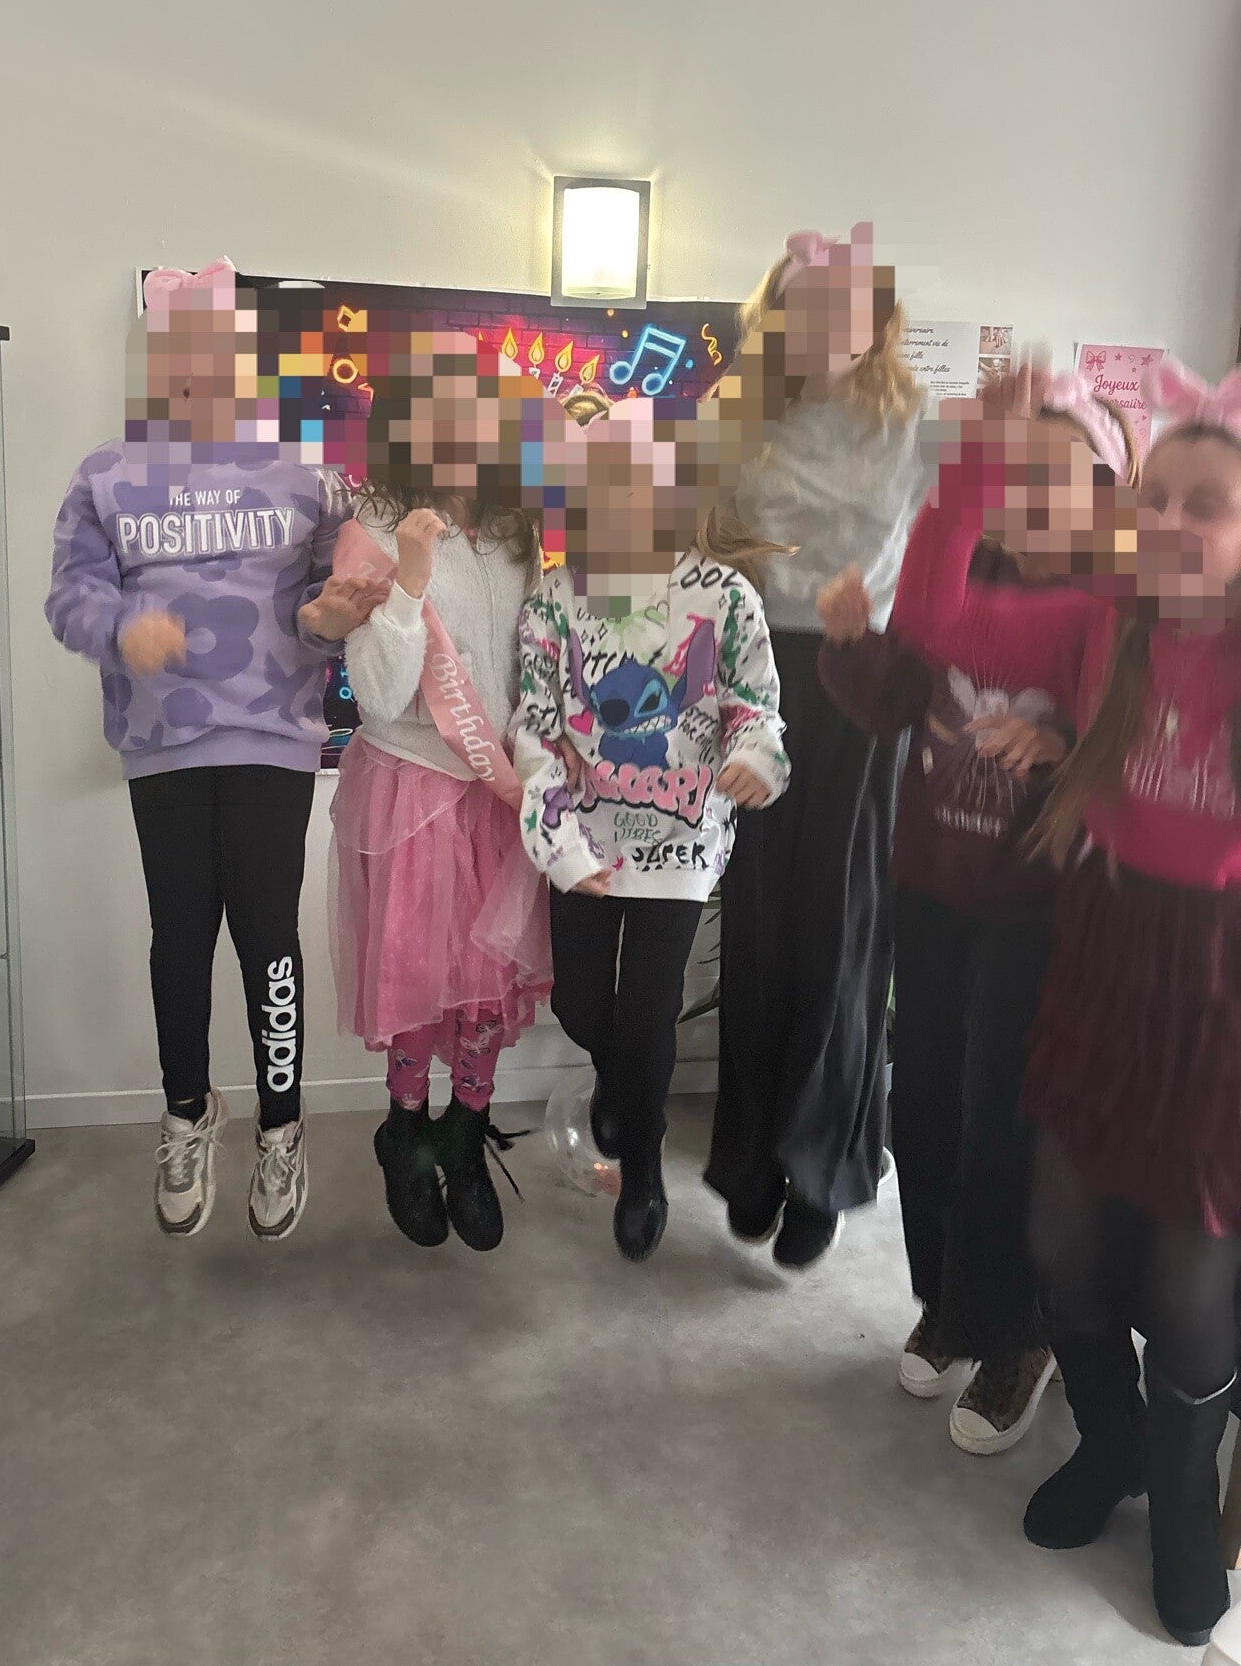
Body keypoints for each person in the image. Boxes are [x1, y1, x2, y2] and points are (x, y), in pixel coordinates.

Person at [893, 357, 1241, 1648]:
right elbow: (939, 623)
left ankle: (1185, 1506)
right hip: (1100, 954)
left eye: (1210, 504)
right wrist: (974, 462)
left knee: (1194, 1277)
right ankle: (1114, 1444)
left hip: (1220, 989)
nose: (1175, 524)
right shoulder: (1105, 619)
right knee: (1063, 1242)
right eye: (1160, 499)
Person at [815, 376, 1138, 1458]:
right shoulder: (966, 574)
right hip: (934, 883)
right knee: (927, 1104)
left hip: (1038, 907)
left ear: (1104, 491)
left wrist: (1061, 746)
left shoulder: (1118, 599)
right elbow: (896, 700)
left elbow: (1137, 743)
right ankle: (950, 1303)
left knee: (1004, 1121)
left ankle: (1018, 1334)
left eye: (1060, 475)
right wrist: (852, 642)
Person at [45, 260, 386, 1244]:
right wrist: (120, 627)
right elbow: (71, 595)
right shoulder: (106, 476)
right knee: (181, 937)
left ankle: (282, 1128)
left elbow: (337, 596)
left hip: (275, 738)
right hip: (162, 744)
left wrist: (329, 615)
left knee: (269, 938)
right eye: (180, 356)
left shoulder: (309, 479)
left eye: (221, 355)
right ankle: (186, 1113)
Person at [703, 224, 932, 1268]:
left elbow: (981, 542)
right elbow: (693, 542)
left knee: (842, 933)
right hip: (756, 679)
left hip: (863, 684)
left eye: (845, 303)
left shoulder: (916, 424)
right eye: (804, 304)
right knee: (758, 925)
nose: (824, 322)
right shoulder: (739, 418)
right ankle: (751, 1158)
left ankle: (821, 1170)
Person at [513, 399, 790, 1262]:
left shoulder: (724, 596)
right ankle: (626, 1088)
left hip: (682, 839)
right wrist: (556, 839)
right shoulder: (556, 596)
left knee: (646, 1014)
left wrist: (756, 758)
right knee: (579, 1002)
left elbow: (756, 707)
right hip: (584, 835)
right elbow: (533, 725)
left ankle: (642, 1167)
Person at [328, 342, 551, 1251]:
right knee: (418, 979)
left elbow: (535, 667)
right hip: (414, 787)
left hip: (496, 794)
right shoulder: (376, 527)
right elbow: (379, 695)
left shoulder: (515, 532)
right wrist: (410, 578)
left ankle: (466, 1132)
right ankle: (406, 1131)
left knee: (485, 987)